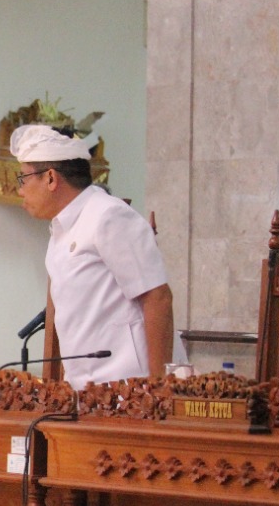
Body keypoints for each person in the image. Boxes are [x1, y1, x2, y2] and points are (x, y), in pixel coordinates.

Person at [11, 124, 174, 388]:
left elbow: (158, 297)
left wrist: (159, 387)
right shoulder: (60, 231)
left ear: (51, 178)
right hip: (88, 390)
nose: (20, 190)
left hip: (132, 390)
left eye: (23, 179)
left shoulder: (108, 215)